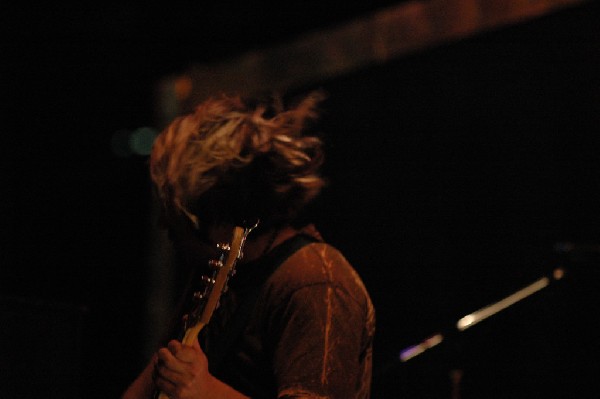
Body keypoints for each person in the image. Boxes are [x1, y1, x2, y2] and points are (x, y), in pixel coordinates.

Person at [121, 91, 375, 399]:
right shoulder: (218, 270)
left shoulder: (315, 282)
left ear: (210, 208)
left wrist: (208, 393)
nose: (165, 224)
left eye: (172, 209)